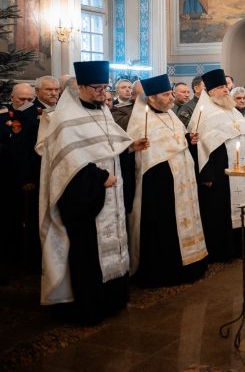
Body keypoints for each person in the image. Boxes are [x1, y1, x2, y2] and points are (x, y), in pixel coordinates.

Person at [37, 60, 149, 325]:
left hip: (110, 195)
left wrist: (130, 146)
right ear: (81, 87)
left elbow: (108, 145)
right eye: (97, 88)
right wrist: (99, 178)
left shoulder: (103, 111)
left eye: (104, 87)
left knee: (114, 245)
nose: (102, 92)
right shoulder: (65, 119)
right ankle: (89, 307)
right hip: (85, 198)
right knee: (87, 251)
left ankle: (113, 299)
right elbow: (66, 163)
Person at [126, 74, 207, 287]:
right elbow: (136, 155)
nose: (171, 97)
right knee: (164, 226)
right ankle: (165, 271)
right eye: (165, 94)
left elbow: (177, 139)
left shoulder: (171, 114)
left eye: (171, 93)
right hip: (158, 186)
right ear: (151, 98)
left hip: (183, 181)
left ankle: (190, 265)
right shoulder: (140, 121)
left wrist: (188, 139)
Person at [187, 69, 245, 261]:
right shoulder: (205, 113)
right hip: (219, 172)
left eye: (226, 86)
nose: (225, 90)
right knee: (221, 209)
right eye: (220, 87)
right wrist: (206, 175)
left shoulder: (232, 109)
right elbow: (201, 148)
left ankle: (242, 245)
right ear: (210, 92)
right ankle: (224, 250)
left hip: (240, 169)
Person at [0, 83, 41, 274]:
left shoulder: (38, 115)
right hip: (7, 176)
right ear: (12, 97)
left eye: (29, 99)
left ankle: (28, 260)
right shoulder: (3, 115)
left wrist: (28, 177)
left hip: (32, 175)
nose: (25, 103)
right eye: (21, 99)